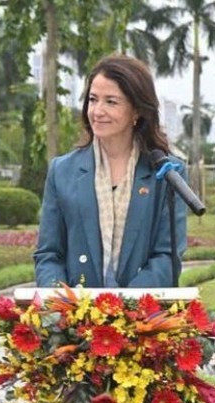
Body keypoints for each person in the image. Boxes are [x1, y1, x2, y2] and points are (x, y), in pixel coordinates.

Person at [34, 54, 187, 288]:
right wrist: (62, 306)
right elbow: (49, 254)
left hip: (141, 317)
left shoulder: (167, 174)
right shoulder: (62, 171)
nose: (97, 111)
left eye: (111, 102)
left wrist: (122, 308)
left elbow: (167, 257)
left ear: (136, 111)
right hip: (76, 318)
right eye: (93, 100)